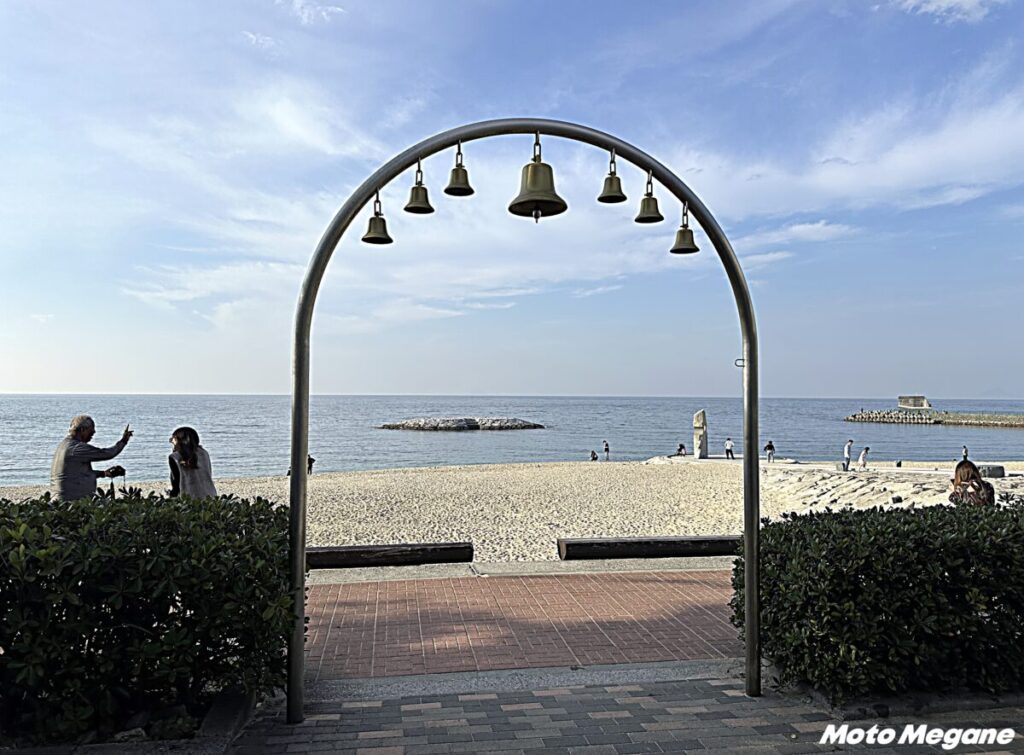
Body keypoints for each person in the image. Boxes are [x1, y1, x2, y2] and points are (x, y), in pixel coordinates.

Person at [51, 415, 132, 501]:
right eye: (91, 431)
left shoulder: (64, 445)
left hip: (63, 499)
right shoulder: (77, 448)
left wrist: (103, 473)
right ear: (82, 430)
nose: (93, 433)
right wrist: (124, 441)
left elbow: (76, 474)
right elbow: (107, 454)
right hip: (70, 502)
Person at [168, 426, 217, 498]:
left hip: (189, 499)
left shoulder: (175, 457)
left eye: (172, 439)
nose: (171, 442)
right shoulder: (204, 453)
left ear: (177, 440)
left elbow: (176, 484)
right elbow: (208, 474)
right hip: (211, 496)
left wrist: (171, 495)